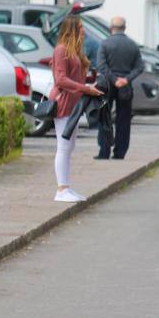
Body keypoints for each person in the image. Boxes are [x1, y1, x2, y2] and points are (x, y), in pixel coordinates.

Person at [51, 15, 103, 202]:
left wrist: (93, 80)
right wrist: (86, 88)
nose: (83, 30)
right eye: (80, 27)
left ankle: (66, 187)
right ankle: (61, 190)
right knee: (64, 146)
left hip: (73, 104)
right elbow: (61, 80)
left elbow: (76, 78)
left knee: (69, 146)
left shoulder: (74, 50)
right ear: (71, 29)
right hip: (63, 103)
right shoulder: (61, 50)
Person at [95, 17, 143, 160]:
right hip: (125, 87)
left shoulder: (104, 44)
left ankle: (104, 151)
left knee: (105, 117)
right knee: (124, 119)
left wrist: (114, 80)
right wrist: (126, 79)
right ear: (125, 28)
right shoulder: (132, 45)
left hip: (108, 85)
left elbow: (102, 67)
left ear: (111, 28)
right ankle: (120, 152)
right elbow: (140, 67)